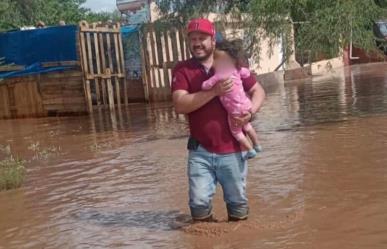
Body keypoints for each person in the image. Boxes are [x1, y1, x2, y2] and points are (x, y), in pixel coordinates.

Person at [171, 18, 265, 222]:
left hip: (232, 150)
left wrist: (251, 112)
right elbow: (180, 104)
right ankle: (204, 240)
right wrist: (214, 91)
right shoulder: (182, 69)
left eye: (202, 38)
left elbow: (258, 90)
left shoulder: (230, 61)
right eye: (193, 39)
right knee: (198, 204)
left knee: (237, 203)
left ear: (213, 40)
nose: (197, 43)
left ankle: (238, 239)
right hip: (200, 151)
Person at [201, 40, 262, 160]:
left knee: (236, 132)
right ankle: (257, 144)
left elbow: (205, 86)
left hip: (234, 110)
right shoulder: (236, 70)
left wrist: (208, 87)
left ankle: (250, 150)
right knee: (247, 126)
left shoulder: (219, 75)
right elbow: (247, 73)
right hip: (246, 105)